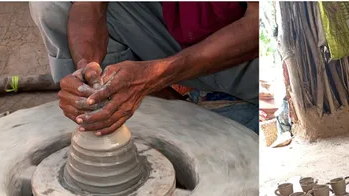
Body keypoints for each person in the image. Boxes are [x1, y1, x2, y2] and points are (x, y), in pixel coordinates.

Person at [29, 2, 259, 134]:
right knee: (53, 3)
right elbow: (89, 5)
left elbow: (258, 24)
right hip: (178, 33)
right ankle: (168, 117)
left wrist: (158, 74)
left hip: (253, 60)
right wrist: (87, 67)